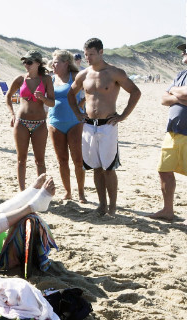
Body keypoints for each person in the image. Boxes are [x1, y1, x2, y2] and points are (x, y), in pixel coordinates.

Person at [68, 38, 140, 216]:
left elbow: (135, 92)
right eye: (85, 54)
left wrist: (123, 115)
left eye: (91, 54)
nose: (88, 58)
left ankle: (113, 207)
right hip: (88, 125)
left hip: (108, 125)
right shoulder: (83, 74)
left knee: (109, 168)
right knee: (96, 167)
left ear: (101, 52)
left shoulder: (114, 72)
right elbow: (70, 93)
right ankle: (101, 204)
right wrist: (78, 112)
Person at [149, 44, 187, 228]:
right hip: (173, 132)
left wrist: (178, 92)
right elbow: (163, 98)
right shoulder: (182, 75)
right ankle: (168, 210)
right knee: (164, 170)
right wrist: (180, 97)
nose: (182, 51)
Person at [5, 50, 54, 191]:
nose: (26, 64)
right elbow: (8, 96)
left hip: (40, 123)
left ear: (38, 63)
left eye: (29, 62)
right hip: (22, 122)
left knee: (40, 161)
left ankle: (41, 191)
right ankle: (22, 191)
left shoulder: (46, 79)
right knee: (21, 159)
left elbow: (52, 103)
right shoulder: (20, 79)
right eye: (24, 61)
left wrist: (43, 98)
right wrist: (12, 114)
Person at [48, 50, 86, 202]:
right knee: (62, 160)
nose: (53, 64)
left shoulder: (75, 77)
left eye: (56, 62)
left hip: (74, 122)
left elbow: (89, 92)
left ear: (66, 63)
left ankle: (81, 193)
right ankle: (68, 192)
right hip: (55, 122)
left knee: (78, 159)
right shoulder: (50, 79)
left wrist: (81, 106)